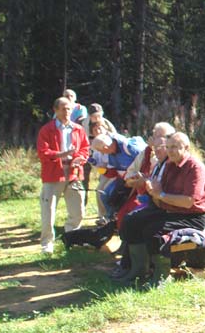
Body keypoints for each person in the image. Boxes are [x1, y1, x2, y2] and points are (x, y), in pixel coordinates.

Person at [116, 132, 205, 287]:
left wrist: (160, 195)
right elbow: (158, 193)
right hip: (169, 209)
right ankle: (138, 271)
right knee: (130, 221)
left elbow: (188, 202)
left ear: (186, 148)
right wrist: (151, 189)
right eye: (168, 147)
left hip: (192, 215)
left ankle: (162, 276)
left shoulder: (195, 168)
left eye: (174, 147)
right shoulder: (169, 165)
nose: (170, 151)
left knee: (153, 231)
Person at [37, 97, 90, 254]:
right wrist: (62, 154)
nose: (67, 112)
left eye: (69, 109)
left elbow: (85, 148)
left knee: (78, 211)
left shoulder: (78, 129)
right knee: (48, 210)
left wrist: (80, 158)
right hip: (54, 174)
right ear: (56, 110)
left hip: (74, 173)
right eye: (63, 109)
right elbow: (43, 152)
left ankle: (71, 239)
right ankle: (47, 243)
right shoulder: (46, 130)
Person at [90, 131, 146, 222]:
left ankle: (116, 220)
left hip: (137, 179)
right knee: (105, 194)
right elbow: (113, 172)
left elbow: (145, 158)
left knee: (121, 198)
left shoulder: (129, 147)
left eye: (101, 151)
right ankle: (110, 220)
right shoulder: (110, 153)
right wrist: (101, 169)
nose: (101, 153)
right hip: (123, 179)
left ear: (105, 147)